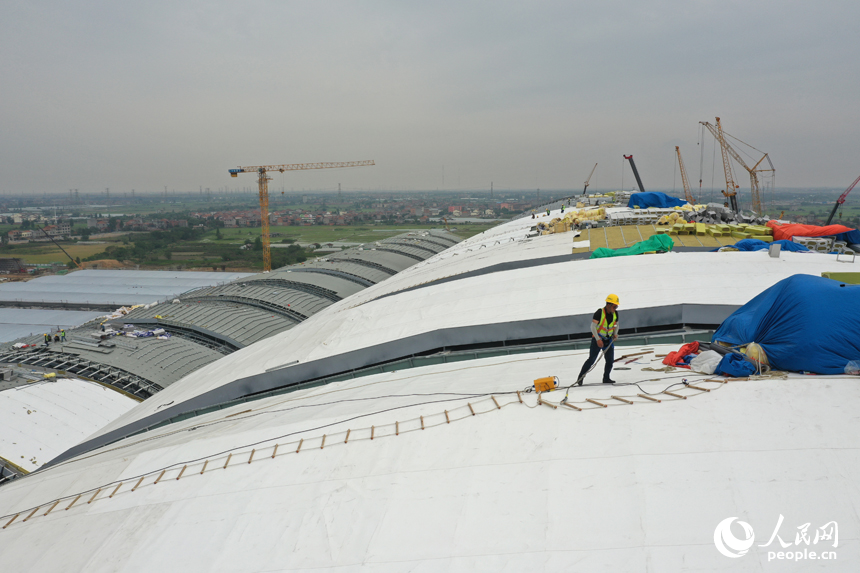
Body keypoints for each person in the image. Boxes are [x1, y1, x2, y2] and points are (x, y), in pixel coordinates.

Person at [576, 294, 620, 385]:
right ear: (608, 305)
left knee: (610, 361)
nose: (616, 308)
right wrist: (597, 339)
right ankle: (580, 378)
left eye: (617, 306)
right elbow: (593, 327)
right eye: (614, 306)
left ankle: (606, 378)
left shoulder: (615, 314)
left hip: (608, 340)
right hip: (598, 339)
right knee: (591, 360)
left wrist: (615, 334)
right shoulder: (599, 313)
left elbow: (616, 325)